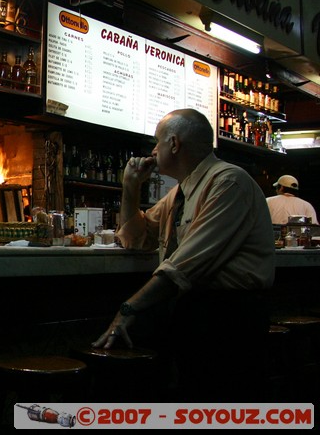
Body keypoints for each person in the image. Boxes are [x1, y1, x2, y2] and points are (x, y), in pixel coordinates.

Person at [91, 108, 275, 402]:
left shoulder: (229, 182)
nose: (153, 150)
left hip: (230, 317)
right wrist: (130, 187)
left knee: (219, 403)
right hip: (197, 312)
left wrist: (128, 309)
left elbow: (185, 266)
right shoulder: (180, 192)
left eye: (157, 141)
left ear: (174, 144)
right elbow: (137, 239)